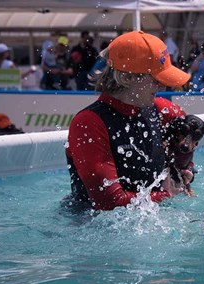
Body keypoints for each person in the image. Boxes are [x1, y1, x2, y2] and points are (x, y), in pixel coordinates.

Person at [64, 31, 192, 211]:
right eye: (156, 78)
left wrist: (186, 170)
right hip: (92, 227)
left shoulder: (164, 110)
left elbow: (188, 142)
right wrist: (166, 194)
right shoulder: (88, 124)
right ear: (128, 77)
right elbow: (109, 202)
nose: (162, 85)